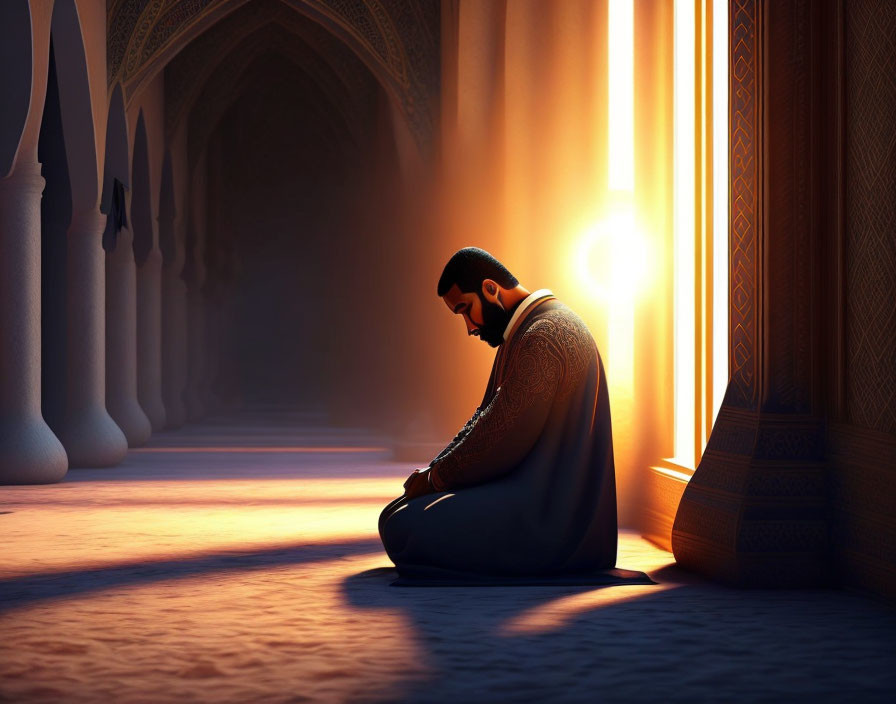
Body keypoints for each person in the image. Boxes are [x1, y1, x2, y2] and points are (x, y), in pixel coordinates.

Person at [379, 247, 617, 577]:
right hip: (531, 494)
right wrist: (434, 473)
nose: (469, 327)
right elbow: (484, 420)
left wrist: (437, 478)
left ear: (491, 289)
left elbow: (503, 437)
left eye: (466, 310)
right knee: (397, 514)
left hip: (549, 517)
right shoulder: (524, 333)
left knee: (404, 525)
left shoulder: (543, 337)